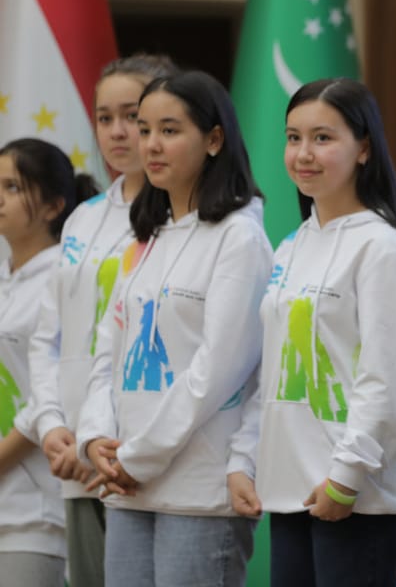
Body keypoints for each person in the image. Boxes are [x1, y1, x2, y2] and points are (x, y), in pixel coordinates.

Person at [227, 78, 396, 587]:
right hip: (290, 488)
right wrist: (243, 460)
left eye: (322, 138)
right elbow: (270, 373)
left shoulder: (381, 248)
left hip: (357, 496)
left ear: (364, 148)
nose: (303, 154)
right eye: (293, 138)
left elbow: (386, 380)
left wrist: (347, 476)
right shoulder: (291, 246)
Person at [77, 70, 273, 587]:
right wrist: (96, 435)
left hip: (198, 490)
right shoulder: (149, 236)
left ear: (214, 139)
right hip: (128, 486)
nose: (150, 145)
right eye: (145, 130)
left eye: (169, 129)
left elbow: (218, 370)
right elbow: (109, 352)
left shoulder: (240, 238)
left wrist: (136, 456)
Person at [20, 54, 176, 587]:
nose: (117, 132)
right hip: (76, 457)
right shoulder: (83, 219)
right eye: (103, 117)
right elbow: (48, 338)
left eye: (131, 116)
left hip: (143, 457)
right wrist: (54, 428)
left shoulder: (189, 219)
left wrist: (110, 441)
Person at [0, 138, 98, 585]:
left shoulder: (62, 275)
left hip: (34, 510)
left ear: (55, 205)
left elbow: (53, 382)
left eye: (13, 187)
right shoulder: (9, 281)